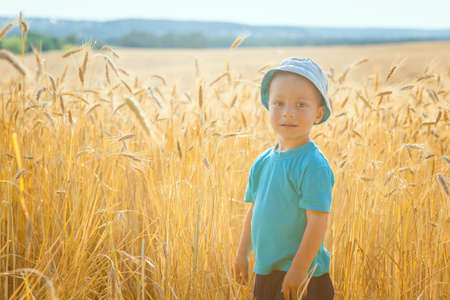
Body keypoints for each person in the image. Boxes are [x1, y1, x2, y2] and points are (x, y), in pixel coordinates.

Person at [234, 57, 335, 300]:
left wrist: (299, 270)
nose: (288, 113)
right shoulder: (263, 162)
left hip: (303, 275)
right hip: (266, 271)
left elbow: (317, 223)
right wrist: (241, 252)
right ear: (268, 105)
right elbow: (255, 211)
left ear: (318, 113)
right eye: (279, 103)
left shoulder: (312, 164)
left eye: (301, 105)